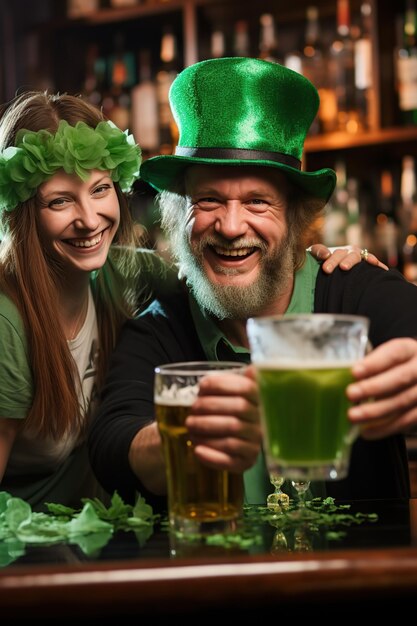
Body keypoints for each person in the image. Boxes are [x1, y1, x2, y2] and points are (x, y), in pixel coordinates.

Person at [0, 89, 366, 511]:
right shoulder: (9, 324)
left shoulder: (122, 273)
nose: (88, 219)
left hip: (93, 545)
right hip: (24, 556)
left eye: (99, 189)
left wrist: (322, 261)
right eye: (59, 200)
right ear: (22, 211)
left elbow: (224, 270)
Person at [87, 56, 417, 510]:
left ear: (297, 217)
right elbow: (112, 444)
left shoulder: (356, 290)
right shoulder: (161, 325)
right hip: (214, 578)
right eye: (207, 200)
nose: (230, 226)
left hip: (355, 579)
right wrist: (185, 436)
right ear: (177, 213)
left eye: (258, 202)